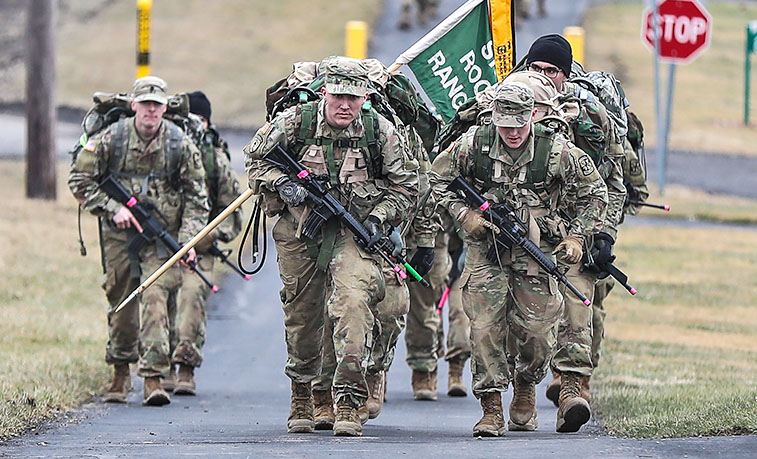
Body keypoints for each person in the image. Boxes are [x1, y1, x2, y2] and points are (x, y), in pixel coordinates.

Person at [244, 56, 418, 437]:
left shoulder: (380, 131)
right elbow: (256, 161)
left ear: (365, 97)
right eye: (338, 96)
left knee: (352, 306)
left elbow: (408, 187)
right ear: (324, 92)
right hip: (301, 231)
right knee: (304, 315)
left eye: (353, 99)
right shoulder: (296, 122)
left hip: (355, 234)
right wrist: (283, 185)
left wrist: (378, 218)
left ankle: (348, 401)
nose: (344, 105)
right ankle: (304, 394)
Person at [430, 82, 607, 437]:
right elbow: (435, 179)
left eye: (519, 124)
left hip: (536, 250)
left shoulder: (556, 151)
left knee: (538, 333)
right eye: (504, 124)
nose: (511, 132)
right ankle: (491, 407)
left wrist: (575, 236)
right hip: (487, 249)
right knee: (483, 329)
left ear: (533, 117)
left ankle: (525, 384)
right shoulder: (474, 144)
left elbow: (595, 193)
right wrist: (463, 214)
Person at [69, 76, 210, 406]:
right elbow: (79, 178)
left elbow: (197, 197)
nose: (151, 111)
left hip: (163, 235)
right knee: (121, 297)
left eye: (156, 105)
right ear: (134, 105)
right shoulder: (111, 139)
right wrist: (111, 208)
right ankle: (120, 372)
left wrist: (187, 241)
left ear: (163, 108)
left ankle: (153, 377)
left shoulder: (179, 144)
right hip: (119, 234)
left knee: (155, 296)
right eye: (145, 104)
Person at [504, 69, 626, 432]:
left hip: (576, 233)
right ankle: (523, 384)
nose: (544, 76)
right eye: (537, 69)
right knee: (526, 322)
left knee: (578, 305)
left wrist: (601, 235)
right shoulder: (503, 121)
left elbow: (610, 185)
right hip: (518, 239)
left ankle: (573, 388)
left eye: (551, 70)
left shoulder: (587, 120)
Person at [163, 91, 244, 396]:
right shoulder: (165, 151)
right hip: (161, 244)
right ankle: (159, 368)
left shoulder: (215, 159)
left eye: (200, 121)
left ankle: (185, 366)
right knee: (159, 302)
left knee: (192, 298)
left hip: (200, 247)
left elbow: (232, 211)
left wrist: (210, 237)